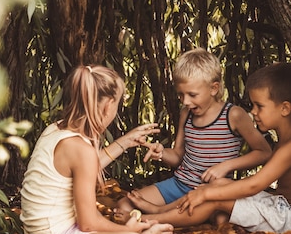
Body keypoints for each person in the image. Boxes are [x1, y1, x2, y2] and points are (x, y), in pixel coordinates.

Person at [136, 62, 291, 234]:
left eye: (259, 106)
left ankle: (150, 220)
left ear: (285, 108)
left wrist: (205, 193)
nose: (253, 112)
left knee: (214, 199)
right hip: (282, 207)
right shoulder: (289, 138)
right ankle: (160, 210)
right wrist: (214, 188)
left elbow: (255, 184)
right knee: (220, 185)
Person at [20, 65, 174, 234]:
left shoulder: (56, 129)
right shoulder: (81, 149)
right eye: (118, 104)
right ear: (108, 105)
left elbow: (86, 168)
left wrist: (126, 141)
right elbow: (88, 224)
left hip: (45, 232)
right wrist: (130, 231)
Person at [115, 47, 272, 221]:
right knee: (124, 207)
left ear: (214, 88)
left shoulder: (233, 115)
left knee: (221, 219)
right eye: (181, 95)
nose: (186, 101)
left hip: (212, 192)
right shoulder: (186, 114)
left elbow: (263, 152)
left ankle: (162, 216)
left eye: (192, 95)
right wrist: (162, 153)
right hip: (180, 185)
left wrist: (226, 166)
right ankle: (167, 216)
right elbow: (178, 156)